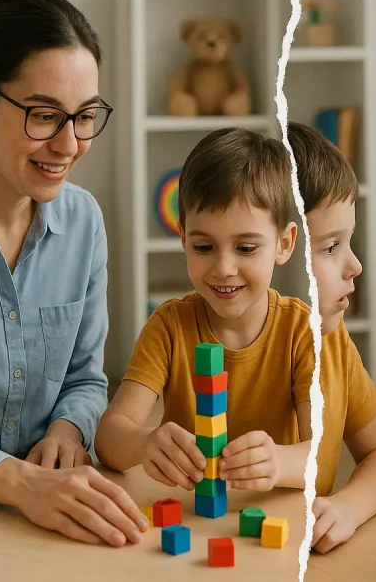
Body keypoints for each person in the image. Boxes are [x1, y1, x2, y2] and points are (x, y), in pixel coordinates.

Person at [0, 0, 149, 547]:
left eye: (85, 116)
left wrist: (70, 428)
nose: (69, 144)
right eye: (45, 115)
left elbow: (85, 377)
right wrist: (18, 483)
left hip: (55, 510)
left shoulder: (84, 222)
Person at [96, 128, 318, 502]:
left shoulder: (300, 332)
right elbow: (109, 437)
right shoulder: (168, 327)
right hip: (191, 518)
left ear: (284, 244)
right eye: (203, 246)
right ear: (183, 238)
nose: (224, 268)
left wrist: (280, 461)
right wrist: (145, 442)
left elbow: (322, 452)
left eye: (246, 248)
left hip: (273, 520)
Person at [286, 121, 376, 553]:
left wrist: (348, 508)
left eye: (347, 242)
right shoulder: (203, 342)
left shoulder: (333, 347)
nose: (354, 265)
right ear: (277, 249)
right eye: (330, 246)